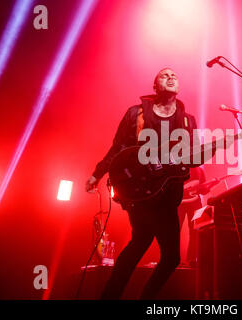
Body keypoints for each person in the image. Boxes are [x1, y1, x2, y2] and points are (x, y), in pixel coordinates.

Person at [85, 68, 199, 299]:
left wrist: (215, 148)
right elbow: (117, 148)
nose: (170, 77)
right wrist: (97, 174)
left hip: (168, 194)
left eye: (174, 75)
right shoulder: (135, 113)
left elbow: (193, 159)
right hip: (139, 190)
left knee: (148, 246)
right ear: (155, 85)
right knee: (159, 250)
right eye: (164, 75)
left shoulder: (188, 120)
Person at [178, 166, 207, 267]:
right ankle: (172, 259)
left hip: (194, 202)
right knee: (174, 231)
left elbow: (204, 189)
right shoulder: (179, 166)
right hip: (179, 202)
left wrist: (208, 187)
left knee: (195, 231)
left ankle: (191, 260)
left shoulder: (199, 169)